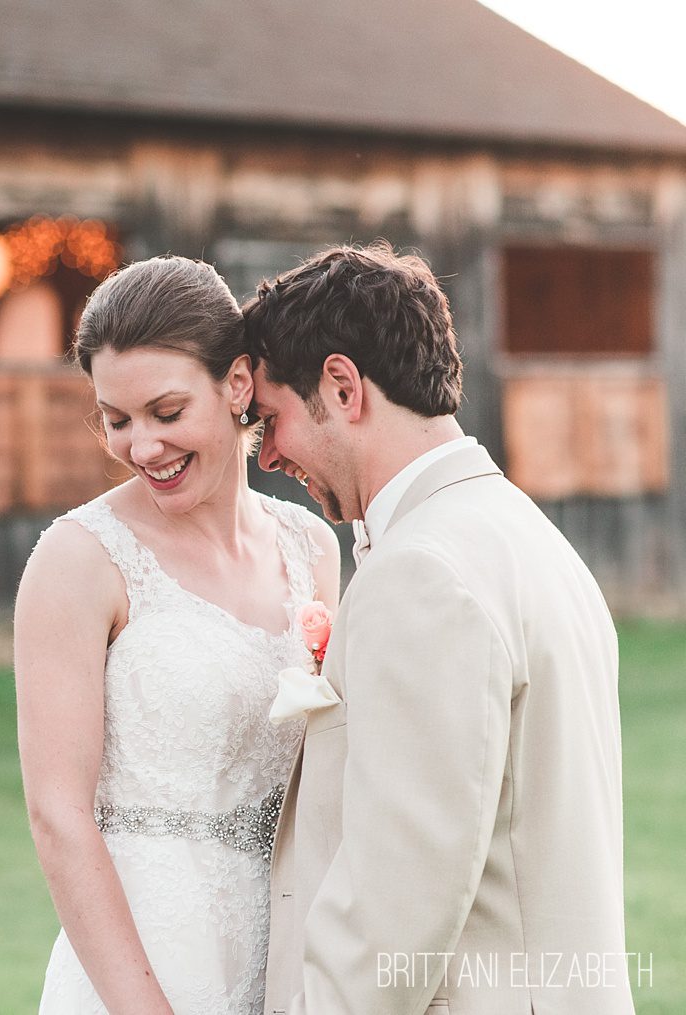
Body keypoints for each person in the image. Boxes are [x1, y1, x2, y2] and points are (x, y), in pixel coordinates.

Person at [245, 242, 634, 1015]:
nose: (268, 454)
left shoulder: (423, 573)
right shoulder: (525, 536)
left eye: (272, 419)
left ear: (343, 386)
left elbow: (396, 903)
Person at [15, 256, 339, 1013]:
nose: (141, 447)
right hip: (139, 963)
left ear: (235, 385)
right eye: (117, 419)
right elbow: (57, 817)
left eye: (166, 412)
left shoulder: (311, 548)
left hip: (283, 953)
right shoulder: (79, 560)